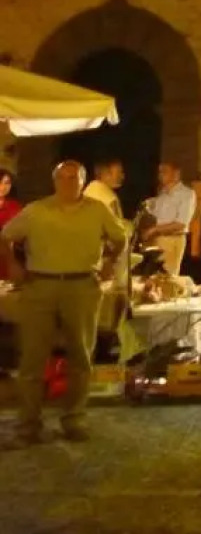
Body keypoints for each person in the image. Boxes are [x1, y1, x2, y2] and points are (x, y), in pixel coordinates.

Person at [2, 160, 129, 444]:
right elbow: (6, 236)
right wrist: (13, 264)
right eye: (63, 177)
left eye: (75, 178)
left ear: (83, 181)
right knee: (32, 358)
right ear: (54, 181)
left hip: (82, 285)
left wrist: (109, 261)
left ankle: (74, 418)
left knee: (81, 357)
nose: (69, 183)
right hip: (40, 286)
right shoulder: (36, 210)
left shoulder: (97, 210)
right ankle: (28, 423)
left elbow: (120, 238)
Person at [148, 161, 196, 277]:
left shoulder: (186, 194)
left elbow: (181, 224)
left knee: (167, 279)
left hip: (173, 239)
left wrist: (154, 229)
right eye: (159, 172)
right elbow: (155, 216)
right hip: (157, 240)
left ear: (176, 173)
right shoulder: (162, 194)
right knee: (155, 279)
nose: (160, 175)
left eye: (164, 171)